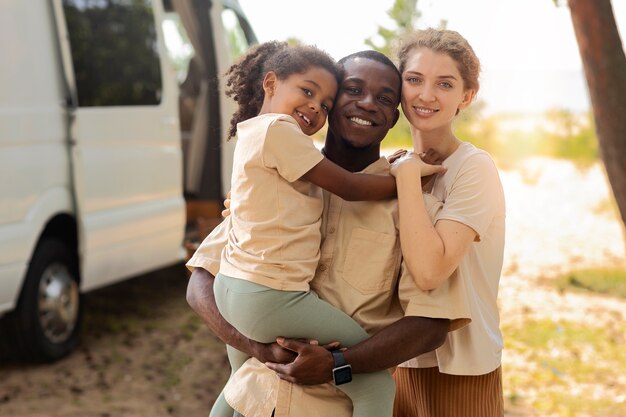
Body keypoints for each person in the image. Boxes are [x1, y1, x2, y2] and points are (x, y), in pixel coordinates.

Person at [187, 49, 471, 417]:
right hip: (251, 399)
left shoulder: (414, 207)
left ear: (393, 118)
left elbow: (431, 324)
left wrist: (338, 363)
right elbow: (201, 283)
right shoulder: (278, 180)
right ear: (332, 105)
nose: (368, 104)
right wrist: (258, 348)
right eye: (352, 90)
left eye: (385, 99)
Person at [389, 28, 506, 417]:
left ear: (466, 96)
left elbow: (430, 271)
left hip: (461, 366)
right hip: (396, 359)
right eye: (414, 79)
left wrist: (406, 176)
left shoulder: (474, 168)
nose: (426, 95)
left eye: (444, 84)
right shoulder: (393, 165)